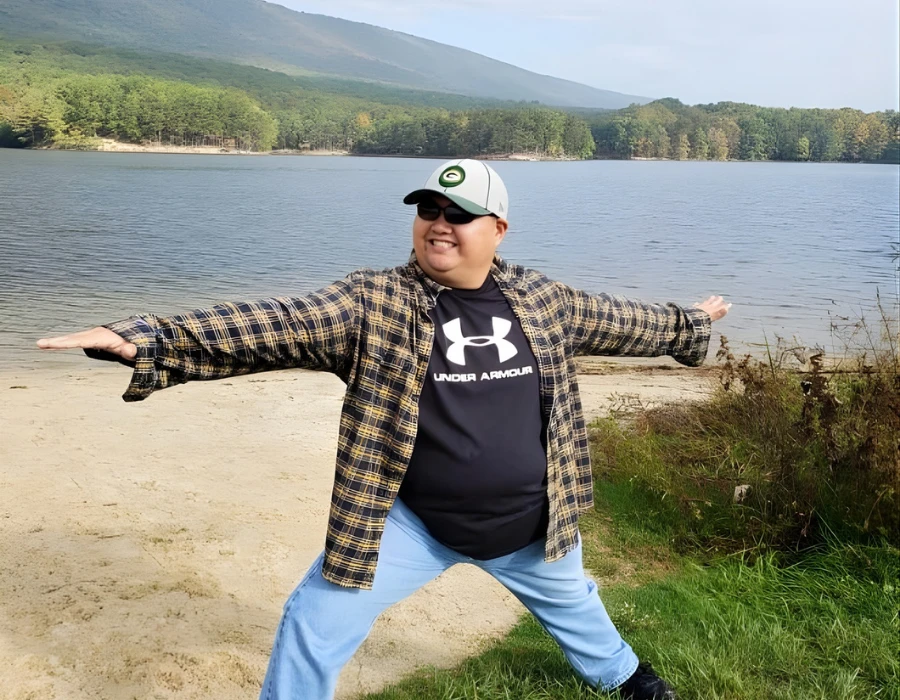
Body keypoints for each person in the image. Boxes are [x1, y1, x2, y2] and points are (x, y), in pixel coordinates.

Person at [38, 158, 730, 700]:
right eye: (429, 209)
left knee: (577, 608)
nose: (439, 223)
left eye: (460, 214)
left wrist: (691, 323)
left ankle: (626, 680)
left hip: (533, 523)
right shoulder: (374, 301)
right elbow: (273, 324)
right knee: (315, 618)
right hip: (413, 526)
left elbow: (626, 321)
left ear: (498, 230)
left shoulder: (542, 301)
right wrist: (148, 337)